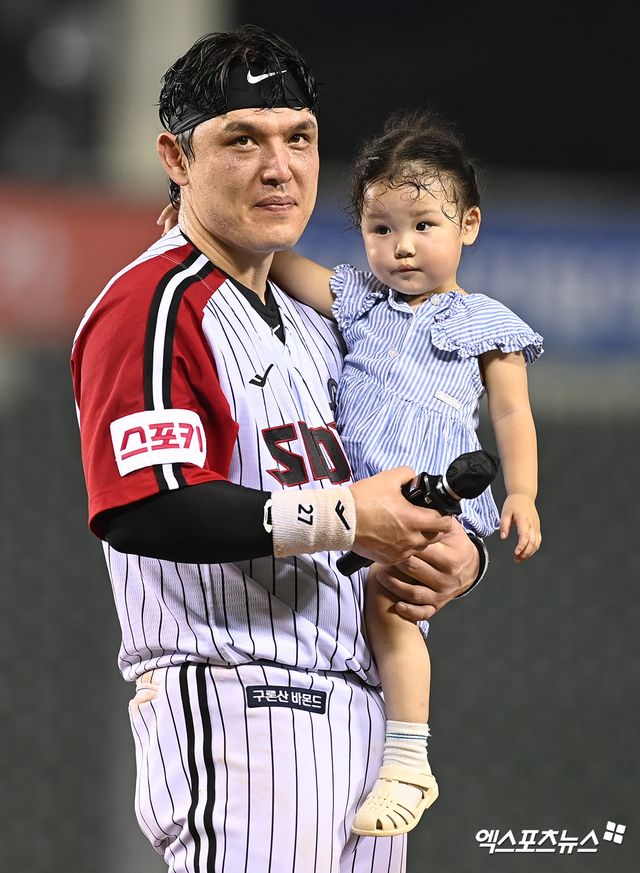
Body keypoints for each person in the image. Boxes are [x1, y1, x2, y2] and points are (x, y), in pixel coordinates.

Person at [71, 26, 485, 873]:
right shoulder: (154, 305)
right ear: (175, 159)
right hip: (238, 701)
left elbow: (399, 476)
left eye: (298, 138)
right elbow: (143, 504)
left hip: (367, 718)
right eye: (242, 139)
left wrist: (453, 553)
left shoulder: (319, 323)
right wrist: (346, 514)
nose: (279, 165)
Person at [267, 108, 543, 837]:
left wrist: (523, 493)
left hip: (430, 500)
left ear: (469, 224)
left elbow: (513, 416)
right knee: (354, 606)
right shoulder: (360, 301)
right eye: (380, 227)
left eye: (424, 224)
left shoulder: (487, 323)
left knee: (390, 608)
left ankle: (409, 759)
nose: (402, 245)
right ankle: (386, 753)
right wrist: (198, 238)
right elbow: (282, 266)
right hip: (353, 501)